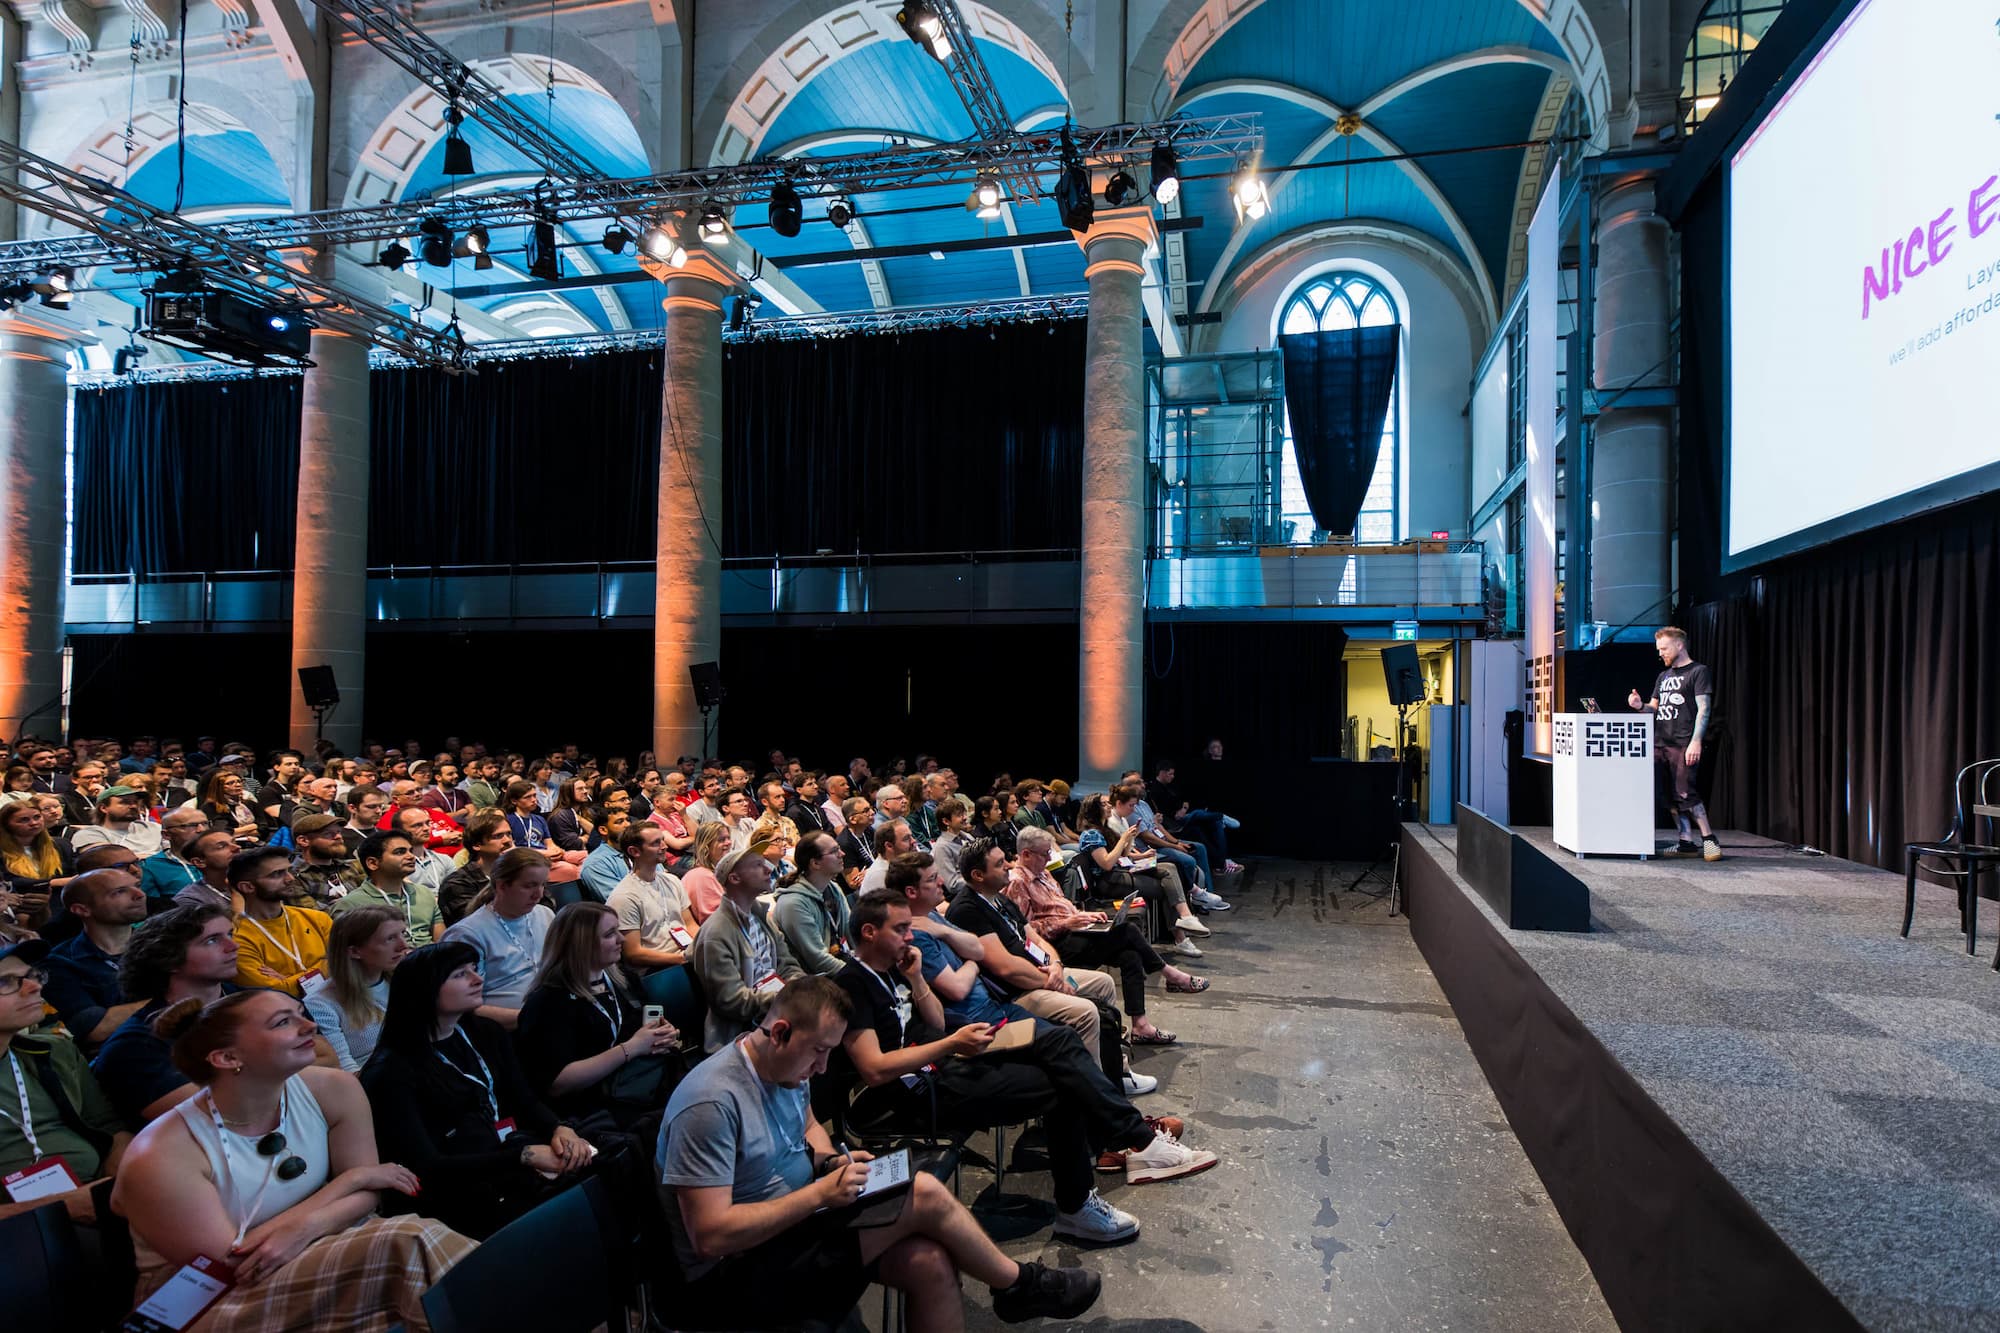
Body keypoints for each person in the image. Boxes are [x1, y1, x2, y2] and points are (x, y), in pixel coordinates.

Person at [655, 975, 1103, 1329]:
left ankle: (1018, 1289)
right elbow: (710, 1236)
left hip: (796, 1222)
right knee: (923, 1192)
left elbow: (808, 1127)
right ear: (779, 1032)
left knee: (927, 1261)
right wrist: (820, 1195)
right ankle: (1019, 1286)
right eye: (818, 1052)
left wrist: (830, 1161)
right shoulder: (710, 1102)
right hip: (732, 1271)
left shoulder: (787, 1068)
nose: (823, 1068)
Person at [837, 890, 1215, 1240]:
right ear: (869, 932)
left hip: (941, 1064)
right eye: (901, 929)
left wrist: (917, 977)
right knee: (1063, 1078)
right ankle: (1111, 1167)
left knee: (1062, 1056)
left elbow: (933, 1022)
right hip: (913, 1094)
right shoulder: (853, 983)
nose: (910, 937)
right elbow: (874, 1069)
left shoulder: (894, 970)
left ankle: (1115, 1162)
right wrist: (951, 1044)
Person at [110, 990, 474, 1330]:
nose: (310, 1025)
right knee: (406, 1241)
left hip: (317, 1248)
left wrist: (310, 1226)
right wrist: (351, 1181)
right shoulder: (159, 1153)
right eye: (283, 1022)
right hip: (201, 1301)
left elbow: (369, 1199)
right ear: (227, 1058)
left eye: (300, 1014)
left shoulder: (334, 1088)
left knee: (409, 1251)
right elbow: (233, 1264)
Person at [361, 942, 600, 1238]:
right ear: (425, 989)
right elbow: (429, 1166)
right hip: (453, 1194)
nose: (478, 980)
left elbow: (523, 1099)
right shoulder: (390, 1071)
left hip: (500, 1160)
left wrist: (560, 1128)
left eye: (475, 970)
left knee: (600, 1167)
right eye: (461, 974)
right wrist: (523, 1156)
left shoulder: (485, 1032)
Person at [946, 837, 1144, 1095]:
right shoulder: (967, 909)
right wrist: (1051, 982)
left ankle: (1115, 1068)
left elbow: (1035, 938)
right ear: (978, 875)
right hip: (1015, 993)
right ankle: (1097, 1093)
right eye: (999, 864)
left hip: (1042, 972)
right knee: (1085, 1012)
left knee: (1104, 982)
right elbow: (1005, 968)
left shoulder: (999, 898)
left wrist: (1056, 966)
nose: (1008, 865)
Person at [1009, 825, 1206, 1043]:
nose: (1049, 858)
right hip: (1057, 945)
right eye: (1044, 853)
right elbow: (1026, 931)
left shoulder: (1043, 873)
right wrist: (1068, 922)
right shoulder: (1017, 882)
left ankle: (1140, 1026)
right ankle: (1170, 974)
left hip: (1076, 931)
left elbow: (1063, 907)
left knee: (1131, 956)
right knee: (1128, 930)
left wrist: (1085, 916)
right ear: (1026, 854)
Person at [0, 939, 133, 1227]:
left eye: (32, 976)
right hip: (19, 1230)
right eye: (5, 983)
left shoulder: (53, 1051)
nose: (34, 987)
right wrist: (63, 1207)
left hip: (97, 1197)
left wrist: (118, 1184)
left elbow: (112, 1128)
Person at [515, 902, 681, 1129]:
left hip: (642, 1087)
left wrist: (663, 1035)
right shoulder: (549, 1002)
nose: (621, 940)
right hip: (594, 1110)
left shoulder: (622, 980)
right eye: (609, 934)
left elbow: (645, 1027)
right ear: (582, 944)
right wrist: (632, 1048)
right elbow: (557, 1082)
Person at [92, 904, 241, 1127]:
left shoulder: (263, 1001)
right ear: (169, 959)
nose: (233, 946)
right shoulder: (137, 1046)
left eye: (229, 934)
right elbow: (220, 1116)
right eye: (212, 940)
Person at [688, 846, 804, 1052]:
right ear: (734, 878)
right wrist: (788, 996)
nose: (768, 869)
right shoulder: (716, 933)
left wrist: (794, 986)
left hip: (776, 1012)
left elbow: (787, 963)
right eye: (758, 865)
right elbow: (731, 1002)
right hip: (742, 1034)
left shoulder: (760, 916)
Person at [1631, 625, 1722, 861]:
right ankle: (1685, 841)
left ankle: (1709, 839)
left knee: (1685, 792)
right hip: (1661, 742)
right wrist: (1640, 706)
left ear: (1679, 645)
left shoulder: (1698, 672)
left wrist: (1696, 742)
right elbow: (1654, 709)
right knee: (1668, 796)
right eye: (1659, 649)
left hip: (1683, 742)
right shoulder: (1663, 676)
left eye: (1664, 648)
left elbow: (1704, 709)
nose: (1660, 653)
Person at [1079, 791, 1207, 957]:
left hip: (1120, 872)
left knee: (1169, 868)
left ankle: (1185, 918)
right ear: (1094, 809)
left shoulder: (1104, 830)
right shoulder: (1091, 834)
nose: (1109, 805)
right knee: (1166, 888)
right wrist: (1124, 838)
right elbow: (1107, 863)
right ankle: (1181, 937)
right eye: (1104, 804)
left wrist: (1129, 839)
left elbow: (1123, 855)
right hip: (1109, 880)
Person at [441, 847, 554, 1027]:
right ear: (501, 886)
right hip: (502, 1030)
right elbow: (462, 1007)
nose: (539, 894)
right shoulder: (467, 934)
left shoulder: (545, 915)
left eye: (542, 885)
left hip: (545, 1016)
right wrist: (532, 1018)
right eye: (529, 886)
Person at [42, 867, 152, 1050]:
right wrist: (180, 1000)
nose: (139, 895)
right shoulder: (59, 963)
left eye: (137, 886)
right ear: (82, 909)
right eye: (119, 892)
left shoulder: (165, 945)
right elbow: (94, 1028)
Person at [304, 907, 406, 1073]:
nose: (403, 945)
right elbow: (346, 1070)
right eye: (390, 939)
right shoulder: (321, 1004)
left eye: (403, 933)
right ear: (354, 951)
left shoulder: (406, 981)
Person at [1118, 769, 1230, 913]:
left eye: (1142, 781)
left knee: (1199, 847)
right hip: (1152, 847)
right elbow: (1147, 838)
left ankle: (1206, 894)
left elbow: (1157, 826)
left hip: (1162, 840)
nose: (1144, 785)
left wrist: (1176, 842)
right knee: (1187, 860)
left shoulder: (1144, 805)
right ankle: (1196, 900)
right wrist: (1174, 846)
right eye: (1138, 783)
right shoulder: (1130, 810)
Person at [230, 846, 335, 998]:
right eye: (277, 874)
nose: (290, 879)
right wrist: (325, 967)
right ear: (248, 887)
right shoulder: (237, 940)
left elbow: (345, 964)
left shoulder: (318, 919)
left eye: (289, 871)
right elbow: (272, 994)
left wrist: (289, 982)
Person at [606, 822, 695, 974]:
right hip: (658, 970)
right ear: (634, 851)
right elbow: (633, 954)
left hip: (686, 957)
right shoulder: (624, 897)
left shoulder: (672, 880)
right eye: (656, 843)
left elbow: (690, 924)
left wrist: (702, 946)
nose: (664, 846)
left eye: (662, 840)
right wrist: (682, 958)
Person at [333, 831, 443, 947]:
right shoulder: (350, 905)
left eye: (410, 851)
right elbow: (344, 955)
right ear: (373, 863)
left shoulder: (424, 893)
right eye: (400, 852)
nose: (411, 856)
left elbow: (442, 942)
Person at [771, 830, 854, 978]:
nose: (842, 854)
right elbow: (817, 960)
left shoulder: (832, 887)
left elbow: (851, 931)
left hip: (839, 963)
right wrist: (861, 973)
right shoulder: (793, 904)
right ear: (815, 863)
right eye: (834, 851)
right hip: (813, 981)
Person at [1, 797, 74, 924]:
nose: (34, 823)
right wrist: (53, 882)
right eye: (24, 820)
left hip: (62, 905)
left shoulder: (61, 845)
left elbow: (77, 872)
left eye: (37, 817)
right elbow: (10, 881)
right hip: (22, 907)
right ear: (6, 824)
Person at [436, 814, 513, 927]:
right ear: (477, 845)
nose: (507, 841)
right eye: (498, 836)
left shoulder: (517, 873)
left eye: (509, 834)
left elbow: (544, 908)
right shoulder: (458, 882)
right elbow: (476, 923)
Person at [139, 806, 211, 911]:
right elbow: (149, 910)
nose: (201, 830)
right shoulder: (151, 867)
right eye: (191, 825)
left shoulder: (224, 859)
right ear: (167, 834)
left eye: (205, 824)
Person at [71, 784, 165, 858]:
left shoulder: (154, 828)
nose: (133, 806)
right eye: (124, 802)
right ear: (104, 808)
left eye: (135, 802)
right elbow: (109, 859)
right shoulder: (89, 834)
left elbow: (174, 855)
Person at [289, 812, 358, 911]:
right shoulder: (294, 877)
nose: (338, 837)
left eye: (339, 832)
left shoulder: (352, 866)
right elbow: (314, 917)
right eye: (328, 834)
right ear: (303, 840)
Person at [174, 829, 244, 915]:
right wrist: (236, 894)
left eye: (234, 842)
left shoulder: (255, 881)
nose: (237, 847)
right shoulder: (189, 901)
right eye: (221, 846)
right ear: (199, 862)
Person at [392, 806, 458, 897]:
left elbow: (456, 890)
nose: (426, 828)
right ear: (399, 831)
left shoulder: (444, 859)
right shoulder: (394, 863)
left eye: (428, 823)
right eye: (417, 825)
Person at [677, 820, 732, 926]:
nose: (728, 843)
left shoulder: (721, 872)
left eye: (728, 838)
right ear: (706, 846)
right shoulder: (701, 876)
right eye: (721, 840)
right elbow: (715, 921)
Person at [578, 806, 633, 902]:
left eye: (628, 820)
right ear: (603, 830)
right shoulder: (595, 864)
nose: (627, 825)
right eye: (620, 822)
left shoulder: (641, 851)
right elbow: (621, 901)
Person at [198, 768, 261, 844]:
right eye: (230, 783)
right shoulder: (211, 807)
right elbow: (223, 831)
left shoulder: (250, 803)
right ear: (219, 787)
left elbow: (264, 827)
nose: (238, 785)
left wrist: (237, 832)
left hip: (256, 841)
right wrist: (252, 826)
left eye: (239, 781)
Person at [930, 794, 977, 892]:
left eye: (964, 813)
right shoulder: (941, 847)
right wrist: (980, 880)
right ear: (946, 821)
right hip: (964, 895)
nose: (965, 818)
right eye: (959, 815)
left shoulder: (967, 837)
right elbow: (953, 884)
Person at [859, 817, 917, 894]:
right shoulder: (880, 875)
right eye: (906, 839)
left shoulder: (901, 864)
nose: (913, 841)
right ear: (889, 846)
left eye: (911, 836)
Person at [340, 786, 390, 857]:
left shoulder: (386, 835)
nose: (379, 811)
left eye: (381, 806)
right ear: (352, 808)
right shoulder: (341, 838)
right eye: (372, 806)